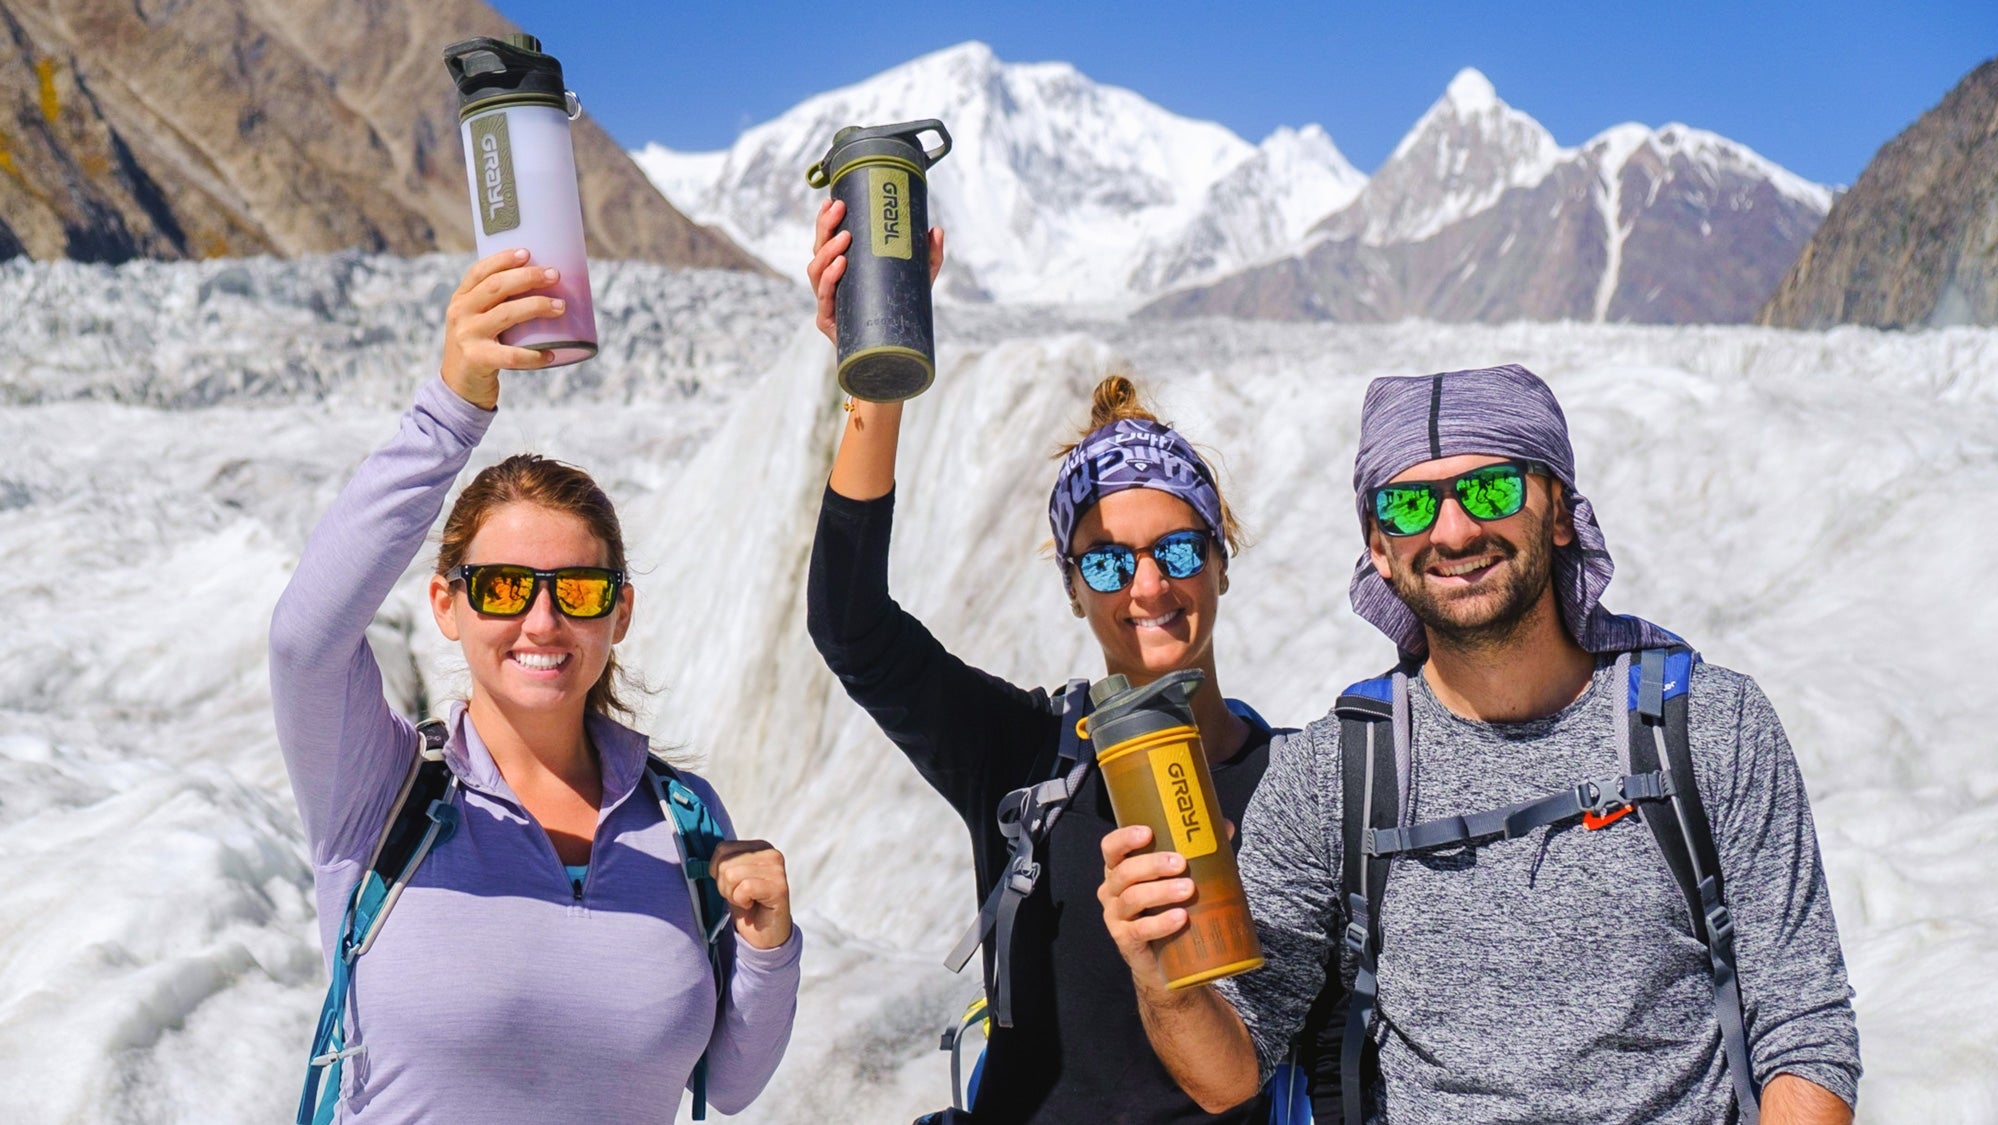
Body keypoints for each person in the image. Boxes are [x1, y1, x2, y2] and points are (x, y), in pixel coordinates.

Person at [1101, 364, 1862, 1123]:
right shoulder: (1331, 774)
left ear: (1558, 511)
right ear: (1378, 546)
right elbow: (1230, 1072)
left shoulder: (1707, 725)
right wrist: (1160, 973)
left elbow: (1805, 1029)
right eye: (1408, 505)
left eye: (1491, 490)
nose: (1454, 531)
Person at [270, 249, 802, 1122]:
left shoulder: (682, 820)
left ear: (619, 612)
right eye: (504, 587)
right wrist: (452, 407)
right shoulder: (380, 794)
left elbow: (730, 1083)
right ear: (447, 604)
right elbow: (304, 640)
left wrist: (769, 947)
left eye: (578, 591)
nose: (543, 620)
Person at [804, 199, 1281, 1123]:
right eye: (1106, 561)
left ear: (1221, 559)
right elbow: (850, 625)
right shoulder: (1022, 758)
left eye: (1178, 549)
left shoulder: (1298, 781)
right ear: (1072, 588)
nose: (1147, 585)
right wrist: (875, 370)